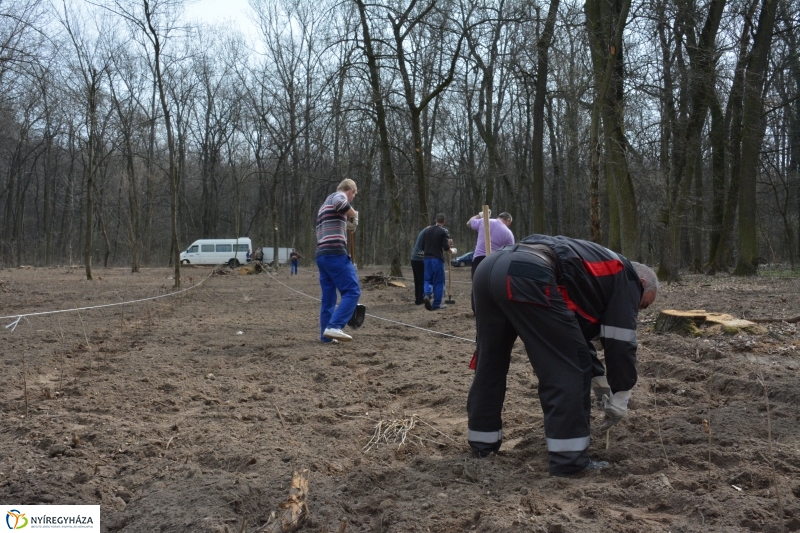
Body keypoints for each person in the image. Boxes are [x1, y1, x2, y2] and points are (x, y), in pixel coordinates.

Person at [467, 234, 658, 476]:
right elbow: (620, 341)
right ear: (642, 282)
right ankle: (570, 461)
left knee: (490, 362)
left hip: (488, 269)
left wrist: (599, 378)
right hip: (527, 272)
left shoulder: (592, 275)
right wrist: (622, 392)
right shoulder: (627, 277)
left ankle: (482, 445)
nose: (637, 310)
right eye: (643, 305)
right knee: (568, 369)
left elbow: (570, 332)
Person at [315, 179, 361, 342]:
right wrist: (354, 215)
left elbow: (336, 216)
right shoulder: (338, 196)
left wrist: (346, 223)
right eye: (353, 196)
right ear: (351, 191)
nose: (352, 199)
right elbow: (341, 204)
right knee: (352, 291)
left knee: (329, 298)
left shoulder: (323, 206)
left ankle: (326, 336)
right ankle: (334, 326)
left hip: (322, 254)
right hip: (335, 253)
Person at [467, 211, 515, 312]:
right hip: (494, 260)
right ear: (508, 220)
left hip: (479, 258)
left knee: (476, 284)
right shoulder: (509, 233)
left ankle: (476, 309)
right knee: (491, 285)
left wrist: (480, 215)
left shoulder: (485, 221)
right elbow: (510, 253)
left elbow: (469, 223)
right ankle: (491, 308)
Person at [421, 213, 452, 311]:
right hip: (437, 259)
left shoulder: (427, 230)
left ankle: (427, 294)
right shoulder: (443, 232)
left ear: (435, 220)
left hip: (426, 258)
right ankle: (436, 304)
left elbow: (422, 246)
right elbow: (446, 247)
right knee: (438, 282)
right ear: (444, 221)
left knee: (427, 279)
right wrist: (451, 250)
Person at [410, 227, 427, 305]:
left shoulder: (423, 231)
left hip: (414, 258)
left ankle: (418, 299)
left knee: (417, 281)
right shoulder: (427, 232)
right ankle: (421, 299)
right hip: (419, 259)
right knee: (422, 280)